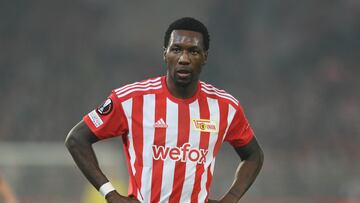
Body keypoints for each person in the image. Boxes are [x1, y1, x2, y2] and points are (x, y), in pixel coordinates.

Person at [65, 17, 264, 203]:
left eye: (193, 51)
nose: (184, 58)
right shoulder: (131, 99)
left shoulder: (225, 107)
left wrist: (231, 198)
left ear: (205, 57)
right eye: (176, 49)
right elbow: (76, 139)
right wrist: (111, 195)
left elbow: (254, 155)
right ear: (165, 53)